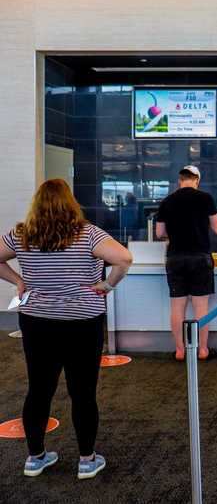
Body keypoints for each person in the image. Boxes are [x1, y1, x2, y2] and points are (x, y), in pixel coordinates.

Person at [0, 179, 133, 479]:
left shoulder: (23, 234)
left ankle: (35, 458)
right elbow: (124, 258)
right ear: (70, 203)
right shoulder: (86, 233)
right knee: (83, 392)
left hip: (37, 322)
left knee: (39, 389)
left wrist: (18, 281)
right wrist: (108, 285)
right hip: (82, 322)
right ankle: (87, 460)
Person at [156, 165, 217, 361]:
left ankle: (179, 350)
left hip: (175, 257)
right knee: (201, 307)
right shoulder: (205, 198)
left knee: (177, 307)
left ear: (180, 180)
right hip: (200, 257)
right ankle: (202, 350)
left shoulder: (167, 201)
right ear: (197, 180)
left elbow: (159, 233)